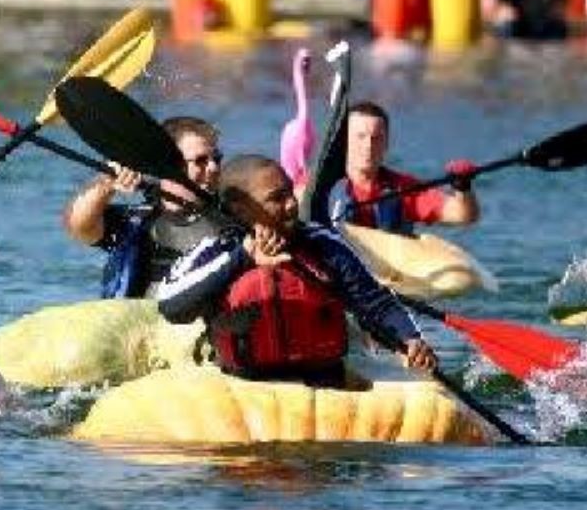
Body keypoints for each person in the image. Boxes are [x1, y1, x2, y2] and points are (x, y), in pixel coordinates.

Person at [157, 154, 437, 386]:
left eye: (290, 192)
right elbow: (171, 306)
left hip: (323, 385)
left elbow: (376, 304)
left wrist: (409, 339)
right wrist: (243, 257)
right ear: (241, 209)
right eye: (277, 198)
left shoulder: (322, 244)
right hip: (246, 387)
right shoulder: (216, 250)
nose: (292, 204)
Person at [63, 116, 225, 299]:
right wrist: (106, 182)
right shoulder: (135, 224)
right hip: (144, 323)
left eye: (216, 159)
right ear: (167, 164)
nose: (213, 167)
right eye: (201, 160)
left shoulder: (233, 219)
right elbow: (78, 226)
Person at [331, 100, 479, 234]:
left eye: (377, 138)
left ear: (386, 144)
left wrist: (463, 188)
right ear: (344, 141)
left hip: (385, 261)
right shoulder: (319, 186)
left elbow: (464, 215)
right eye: (360, 136)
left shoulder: (404, 188)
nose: (368, 146)